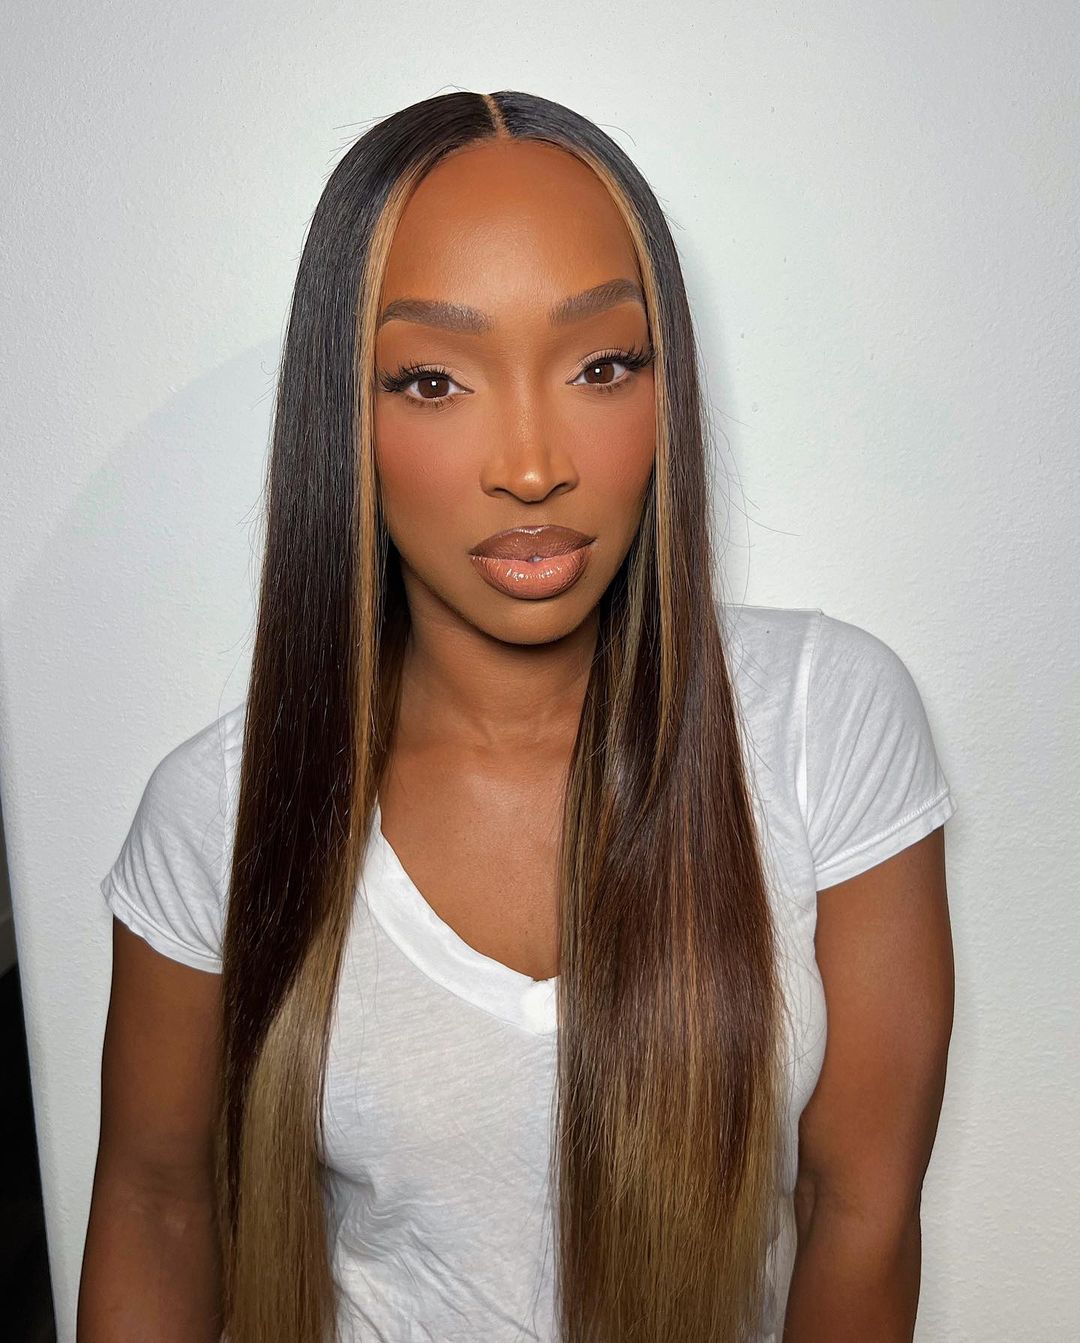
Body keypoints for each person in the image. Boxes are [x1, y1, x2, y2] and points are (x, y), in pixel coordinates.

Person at [79, 90, 957, 1343]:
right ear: (346, 414)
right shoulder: (216, 807)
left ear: (667, 387)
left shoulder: (826, 719)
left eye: (602, 366)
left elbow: (861, 1205)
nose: (533, 464)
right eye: (433, 380)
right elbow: (158, 1207)